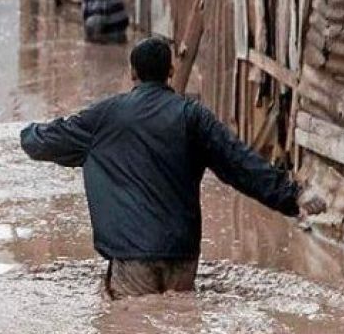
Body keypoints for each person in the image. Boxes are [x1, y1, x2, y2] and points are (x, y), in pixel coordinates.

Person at [20, 37, 326, 300]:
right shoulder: (193, 117)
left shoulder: (105, 117)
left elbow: (42, 142)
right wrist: (293, 195)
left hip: (132, 257)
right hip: (182, 256)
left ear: (132, 73)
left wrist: (27, 131)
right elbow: (240, 163)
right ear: (171, 72)